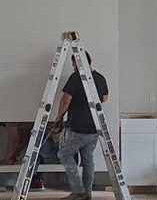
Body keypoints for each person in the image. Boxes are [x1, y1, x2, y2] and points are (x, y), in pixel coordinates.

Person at [53, 51, 109, 200]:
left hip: (78, 127)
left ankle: (78, 191)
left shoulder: (76, 77)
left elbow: (66, 99)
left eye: (73, 64)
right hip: (94, 128)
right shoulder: (100, 78)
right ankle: (87, 194)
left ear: (77, 63)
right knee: (88, 159)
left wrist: (59, 117)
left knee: (64, 153)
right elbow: (104, 98)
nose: (73, 67)